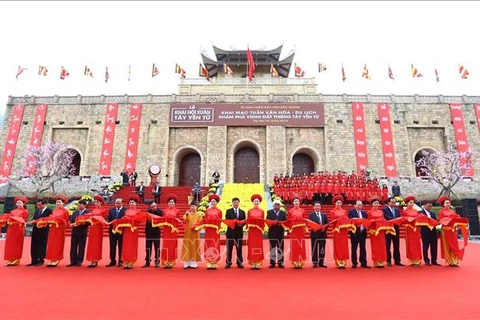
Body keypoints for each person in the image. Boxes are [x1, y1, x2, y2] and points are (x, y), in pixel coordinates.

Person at [112, 194, 145, 269]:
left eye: (133, 202)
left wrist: (130, 219)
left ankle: (130, 262)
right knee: (125, 246)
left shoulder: (139, 211)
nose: (131, 204)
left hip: (133, 231)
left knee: (132, 246)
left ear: (136, 203)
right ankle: (125, 261)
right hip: (126, 231)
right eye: (130, 202)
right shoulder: (126, 211)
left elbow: (139, 220)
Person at [437, 196, 468, 267]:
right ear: (443, 204)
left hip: (453, 230)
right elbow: (441, 221)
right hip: (446, 230)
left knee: (454, 245)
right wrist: (448, 220)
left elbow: (457, 220)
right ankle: (450, 261)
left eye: (449, 203)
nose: (448, 204)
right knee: (447, 245)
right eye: (446, 203)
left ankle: (455, 260)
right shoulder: (441, 212)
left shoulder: (452, 212)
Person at [41, 195, 70, 267]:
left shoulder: (65, 211)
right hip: (53, 228)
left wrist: (59, 221)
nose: (58, 203)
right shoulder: (54, 210)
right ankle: (51, 258)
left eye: (60, 202)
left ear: (63, 203)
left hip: (60, 229)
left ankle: (56, 258)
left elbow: (66, 221)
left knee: (58, 243)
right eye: (57, 202)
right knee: (51, 244)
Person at [2, 196, 29, 266]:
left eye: (20, 203)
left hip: (19, 228)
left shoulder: (25, 211)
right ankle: (9, 259)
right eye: (17, 203)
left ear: (23, 204)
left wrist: (14, 218)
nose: (18, 204)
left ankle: (15, 260)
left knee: (17, 244)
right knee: (9, 244)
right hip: (11, 228)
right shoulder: (12, 211)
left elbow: (24, 220)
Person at [366, 197, 393, 268]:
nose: (376, 204)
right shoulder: (369, 212)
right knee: (375, 247)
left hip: (381, 231)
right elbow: (368, 221)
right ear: (372, 204)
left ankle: (381, 261)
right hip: (374, 231)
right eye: (375, 203)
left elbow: (384, 220)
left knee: (382, 246)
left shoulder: (381, 212)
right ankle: (376, 261)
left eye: (377, 203)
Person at [84, 195, 108, 268]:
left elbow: (102, 219)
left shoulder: (103, 210)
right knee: (91, 244)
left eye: (97, 202)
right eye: (95, 202)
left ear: (101, 202)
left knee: (96, 244)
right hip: (92, 227)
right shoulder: (93, 210)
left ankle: (95, 260)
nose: (96, 203)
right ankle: (91, 259)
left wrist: (94, 217)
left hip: (98, 228)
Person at [330, 195, 353, 269]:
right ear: (335, 203)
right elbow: (332, 221)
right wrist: (339, 220)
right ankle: (338, 262)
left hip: (344, 231)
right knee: (338, 246)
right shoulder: (332, 211)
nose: (339, 204)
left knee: (344, 246)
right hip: (337, 231)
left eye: (340, 202)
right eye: (337, 202)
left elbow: (347, 219)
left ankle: (344, 261)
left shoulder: (344, 211)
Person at [28, 199, 52, 266]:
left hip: (43, 230)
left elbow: (49, 220)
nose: (38, 206)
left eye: (40, 205)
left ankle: (41, 260)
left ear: (44, 204)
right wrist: (33, 221)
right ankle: (34, 260)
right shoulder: (37, 211)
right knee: (34, 245)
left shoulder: (49, 211)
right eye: (37, 205)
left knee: (42, 245)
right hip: (35, 230)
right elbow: (34, 218)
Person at [159, 194, 180, 269]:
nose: (171, 203)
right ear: (168, 203)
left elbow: (178, 221)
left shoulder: (177, 211)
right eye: (170, 202)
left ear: (175, 203)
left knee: (172, 246)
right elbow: (162, 220)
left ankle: (171, 262)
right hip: (166, 230)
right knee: (165, 245)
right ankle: (165, 262)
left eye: (172, 202)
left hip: (173, 231)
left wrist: (176, 228)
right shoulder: (164, 211)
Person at [67, 200, 91, 267]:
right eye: (78, 205)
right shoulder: (75, 212)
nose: (79, 206)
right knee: (73, 247)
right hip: (74, 231)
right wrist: (70, 223)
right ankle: (73, 261)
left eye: (80, 205)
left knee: (81, 247)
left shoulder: (88, 212)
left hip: (82, 231)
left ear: (84, 205)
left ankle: (79, 261)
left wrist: (83, 223)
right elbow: (72, 220)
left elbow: (89, 222)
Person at [401, 195, 422, 266]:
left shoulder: (416, 211)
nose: (412, 204)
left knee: (417, 244)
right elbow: (403, 220)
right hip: (409, 229)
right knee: (411, 244)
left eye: (413, 203)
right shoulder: (404, 211)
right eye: (410, 202)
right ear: (407, 203)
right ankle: (412, 260)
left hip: (416, 229)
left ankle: (418, 259)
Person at [348, 200, 370, 268]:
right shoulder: (351, 212)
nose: (360, 206)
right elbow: (350, 221)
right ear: (354, 205)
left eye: (361, 205)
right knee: (354, 248)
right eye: (358, 205)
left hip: (362, 233)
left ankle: (363, 262)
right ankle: (354, 262)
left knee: (363, 248)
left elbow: (366, 221)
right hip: (355, 233)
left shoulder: (364, 213)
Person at [225, 197, 246, 269]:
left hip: (239, 232)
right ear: (232, 203)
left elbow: (244, 221)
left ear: (239, 203)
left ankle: (239, 262)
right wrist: (234, 222)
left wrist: (241, 224)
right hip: (230, 232)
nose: (235, 203)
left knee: (239, 248)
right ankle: (228, 262)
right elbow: (227, 220)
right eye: (234, 202)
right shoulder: (228, 211)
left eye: (236, 202)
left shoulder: (242, 212)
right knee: (229, 248)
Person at [382, 196, 404, 266]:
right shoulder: (384, 210)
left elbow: (399, 218)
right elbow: (386, 218)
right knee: (387, 245)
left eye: (394, 202)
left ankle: (397, 260)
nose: (394, 203)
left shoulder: (397, 210)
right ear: (388, 203)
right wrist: (394, 220)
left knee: (396, 245)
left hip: (396, 229)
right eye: (392, 202)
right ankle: (388, 260)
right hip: (388, 229)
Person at [266, 200, 287, 268]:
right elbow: (267, 221)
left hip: (280, 231)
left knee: (280, 247)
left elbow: (285, 221)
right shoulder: (269, 212)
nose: (277, 206)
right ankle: (272, 262)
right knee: (272, 247)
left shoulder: (283, 213)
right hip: (272, 231)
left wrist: (280, 223)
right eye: (275, 205)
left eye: (278, 205)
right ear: (273, 205)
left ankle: (280, 262)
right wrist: (273, 222)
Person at [203, 194, 222, 269]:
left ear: (216, 202)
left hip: (215, 231)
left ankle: (214, 262)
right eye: (212, 201)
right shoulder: (207, 211)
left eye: (214, 201)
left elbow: (220, 221)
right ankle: (209, 262)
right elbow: (205, 220)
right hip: (208, 231)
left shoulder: (219, 211)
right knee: (208, 245)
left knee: (215, 245)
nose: (213, 202)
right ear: (210, 202)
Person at [246, 194, 265, 270]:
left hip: (258, 231)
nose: (256, 202)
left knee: (258, 245)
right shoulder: (249, 211)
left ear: (259, 202)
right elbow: (248, 220)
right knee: (252, 245)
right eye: (255, 201)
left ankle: (258, 262)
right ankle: (253, 262)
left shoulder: (262, 211)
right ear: (253, 202)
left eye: (257, 201)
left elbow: (263, 221)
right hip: (252, 231)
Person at [181, 201, 202, 269]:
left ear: (197, 207)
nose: (192, 207)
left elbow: (201, 223)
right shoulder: (188, 213)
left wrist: (196, 226)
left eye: (194, 206)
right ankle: (187, 262)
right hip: (188, 232)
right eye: (191, 206)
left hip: (195, 232)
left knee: (194, 246)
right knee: (187, 246)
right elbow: (184, 218)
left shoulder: (199, 214)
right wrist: (186, 214)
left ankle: (194, 262)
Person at [106, 198, 126, 267]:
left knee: (121, 246)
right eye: (116, 203)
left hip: (121, 231)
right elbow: (108, 218)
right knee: (112, 246)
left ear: (122, 203)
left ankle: (120, 260)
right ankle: (112, 260)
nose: (117, 204)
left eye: (118, 203)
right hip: (112, 231)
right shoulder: (111, 210)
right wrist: (108, 222)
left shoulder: (125, 210)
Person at [287, 197, 306, 269]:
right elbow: (289, 221)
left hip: (300, 230)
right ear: (293, 202)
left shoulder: (303, 210)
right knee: (294, 245)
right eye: (295, 201)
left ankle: (300, 262)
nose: (296, 202)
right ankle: (295, 262)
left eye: (297, 201)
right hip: (294, 231)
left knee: (301, 245)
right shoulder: (290, 211)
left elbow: (304, 220)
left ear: (299, 202)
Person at [308, 202, 328, 268]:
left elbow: (327, 224)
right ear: (313, 207)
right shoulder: (311, 215)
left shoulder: (324, 215)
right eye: (316, 206)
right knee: (314, 248)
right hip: (314, 234)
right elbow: (309, 224)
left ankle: (321, 262)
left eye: (319, 206)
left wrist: (324, 228)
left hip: (322, 234)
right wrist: (316, 227)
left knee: (322, 249)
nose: (318, 207)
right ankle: (315, 262)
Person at [420, 201, 440, 266]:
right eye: (428, 206)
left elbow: (435, 220)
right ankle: (426, 260)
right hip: (425, 231)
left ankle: (434, 260)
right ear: (424, 205)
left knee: (434, 246)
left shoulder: (433, 213)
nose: (430, 207)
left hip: (433, 231)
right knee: (425, 246)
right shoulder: (420, 213)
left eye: (431, 206)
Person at [144, 202, 162, 268]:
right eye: (152, 207)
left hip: (156, 232)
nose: (153, 208)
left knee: (157, 248)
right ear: (149, 207)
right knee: (148, 247)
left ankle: (157, 261)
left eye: (154, 206)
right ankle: (147, 261)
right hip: (148, 232)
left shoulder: (160, 212)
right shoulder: (147, 212)